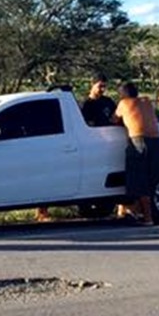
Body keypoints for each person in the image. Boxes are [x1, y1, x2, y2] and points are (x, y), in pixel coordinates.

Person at [37, 73, 116, 222]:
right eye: (100, 86)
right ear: (92, 85)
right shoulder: (87, 105)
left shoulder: (108, 102)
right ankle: (42, 212)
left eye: (104, 86)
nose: (102, 89)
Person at [114, 81, 159, 225]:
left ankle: (147, 217)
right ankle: (137, 211)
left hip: (138, 140)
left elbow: (114, 119)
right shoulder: (147, 101)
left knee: (139, 179)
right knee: (151, 177)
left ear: (124, 94)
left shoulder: (124, 104)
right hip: (156, 141)